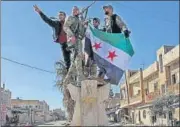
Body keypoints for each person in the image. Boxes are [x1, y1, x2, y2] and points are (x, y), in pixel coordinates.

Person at [33, 5, 71, 71]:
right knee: (67, 61)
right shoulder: (56, 23)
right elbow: (47, 20)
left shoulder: (68, 23)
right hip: (63, 44)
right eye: (59, 15)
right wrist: (39, 12)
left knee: (75, 56)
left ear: (65, 16)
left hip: (70, 43)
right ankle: (69, 72)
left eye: (61, 15)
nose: (60, 16)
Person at [63, 6, 87, 86]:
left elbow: (82, 34)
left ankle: (66, 80)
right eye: (73, 10)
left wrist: (84, 26)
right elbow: (65, 27)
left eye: (76, 10)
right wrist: (71, 35)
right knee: (78, 57)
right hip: (73, 41)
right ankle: (80, 79)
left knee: (75, 60)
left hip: (79, 41)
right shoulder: (71, 18)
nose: (74, 11)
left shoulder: (79, 20)